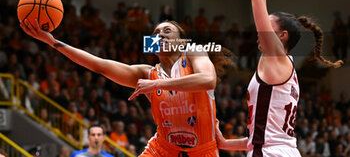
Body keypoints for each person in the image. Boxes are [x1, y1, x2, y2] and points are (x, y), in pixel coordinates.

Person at [21, 18, 233, 157]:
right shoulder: (146, 73)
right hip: (162, 149)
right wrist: (53, 42)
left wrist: (157, 84)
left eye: (168, 30)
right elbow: (99, 65)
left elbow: (207, 79)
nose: (160, 34)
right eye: (156, 32)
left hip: (202, 150)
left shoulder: (194, 53)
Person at [215, 0, 343, 156]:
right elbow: (267, 138)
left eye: (268, 23)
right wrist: (224, 143)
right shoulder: (285, 69)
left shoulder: (276, 58)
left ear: (281, 36)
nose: (260, 28)